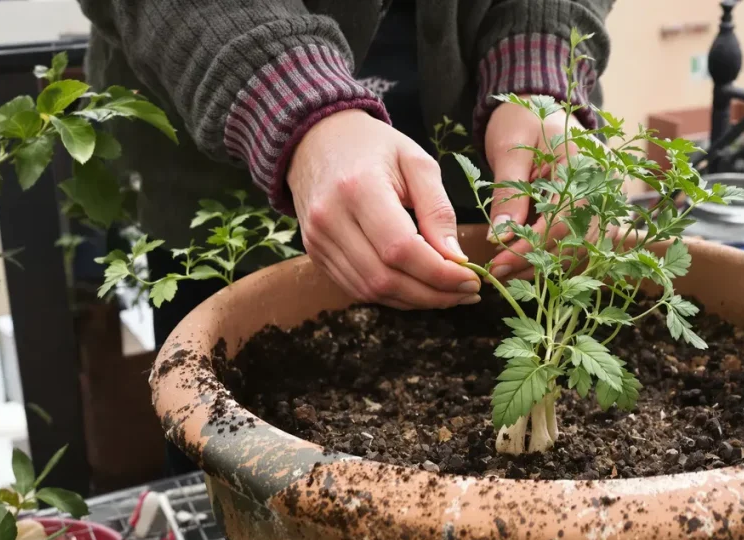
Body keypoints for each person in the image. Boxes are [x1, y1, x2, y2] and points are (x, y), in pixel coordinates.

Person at [77, 0, 615, 474]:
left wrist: (536, 80)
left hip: (481, 151)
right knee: (225, 405)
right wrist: (287, 93)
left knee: (487, 292)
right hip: (220, 138)